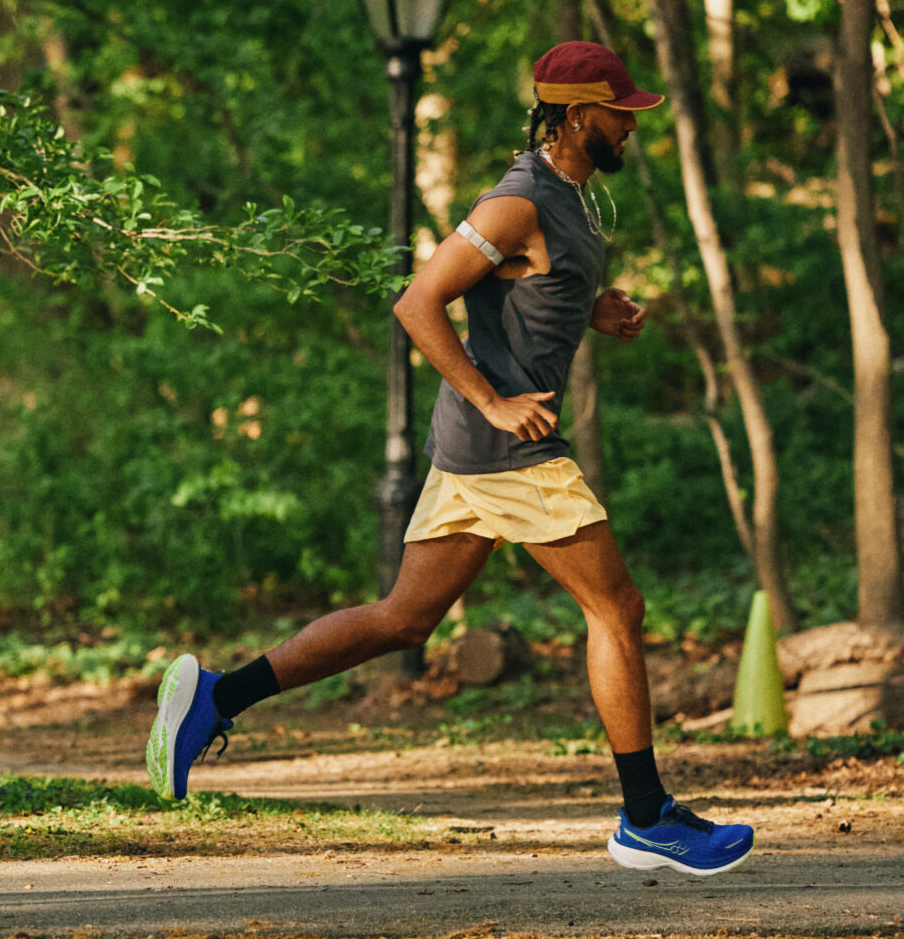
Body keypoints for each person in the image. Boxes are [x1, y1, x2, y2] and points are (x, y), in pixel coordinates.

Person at [146, 43, 756, 878]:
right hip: (510, 448)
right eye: (620, 113)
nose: (630, 126)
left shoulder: (572, 197)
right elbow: (418, 301)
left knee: (403, 619)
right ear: (578, 116)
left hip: (482, 453)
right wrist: (494, 400)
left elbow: (527, 291)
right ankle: (646, 816)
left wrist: (590, 309)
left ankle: (216, 695)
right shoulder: (517, 199)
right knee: (618, 608)